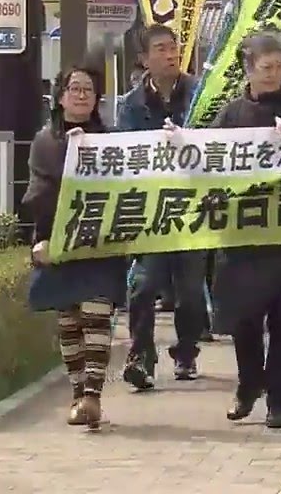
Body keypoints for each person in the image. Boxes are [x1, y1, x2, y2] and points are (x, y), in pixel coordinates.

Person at [201, 31, 281, 429]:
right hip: (242, 241)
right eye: (265, 67)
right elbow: (206, 162)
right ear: (248, 70)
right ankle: (248, 384)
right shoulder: (231, 115)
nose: (273, 75)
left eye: (279, 66)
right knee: (245, 320)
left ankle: (280, 401)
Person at [23, 66, 128, 430]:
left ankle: (92, 397)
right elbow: (40, 194)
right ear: (60, 96)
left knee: (97, 313)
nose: (82, 95)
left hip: (100, 244)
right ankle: (77, 393)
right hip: (58, 242)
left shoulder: (111, 140)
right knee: (69, 321)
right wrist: (39, 242)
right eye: (74, 88)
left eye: (89, 89)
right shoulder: (45, 141)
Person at [117, 24, 209, 387]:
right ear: (143, 60)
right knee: (143, 284)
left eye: (174, 47)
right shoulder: (131, 105)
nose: (170, 54)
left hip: (193, 208)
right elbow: (123, 151)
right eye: (160, 49)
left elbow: (218, 138)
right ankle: (141, 357)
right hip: (151, 210)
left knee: (189, 291)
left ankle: (186, 352)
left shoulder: (200, 94)